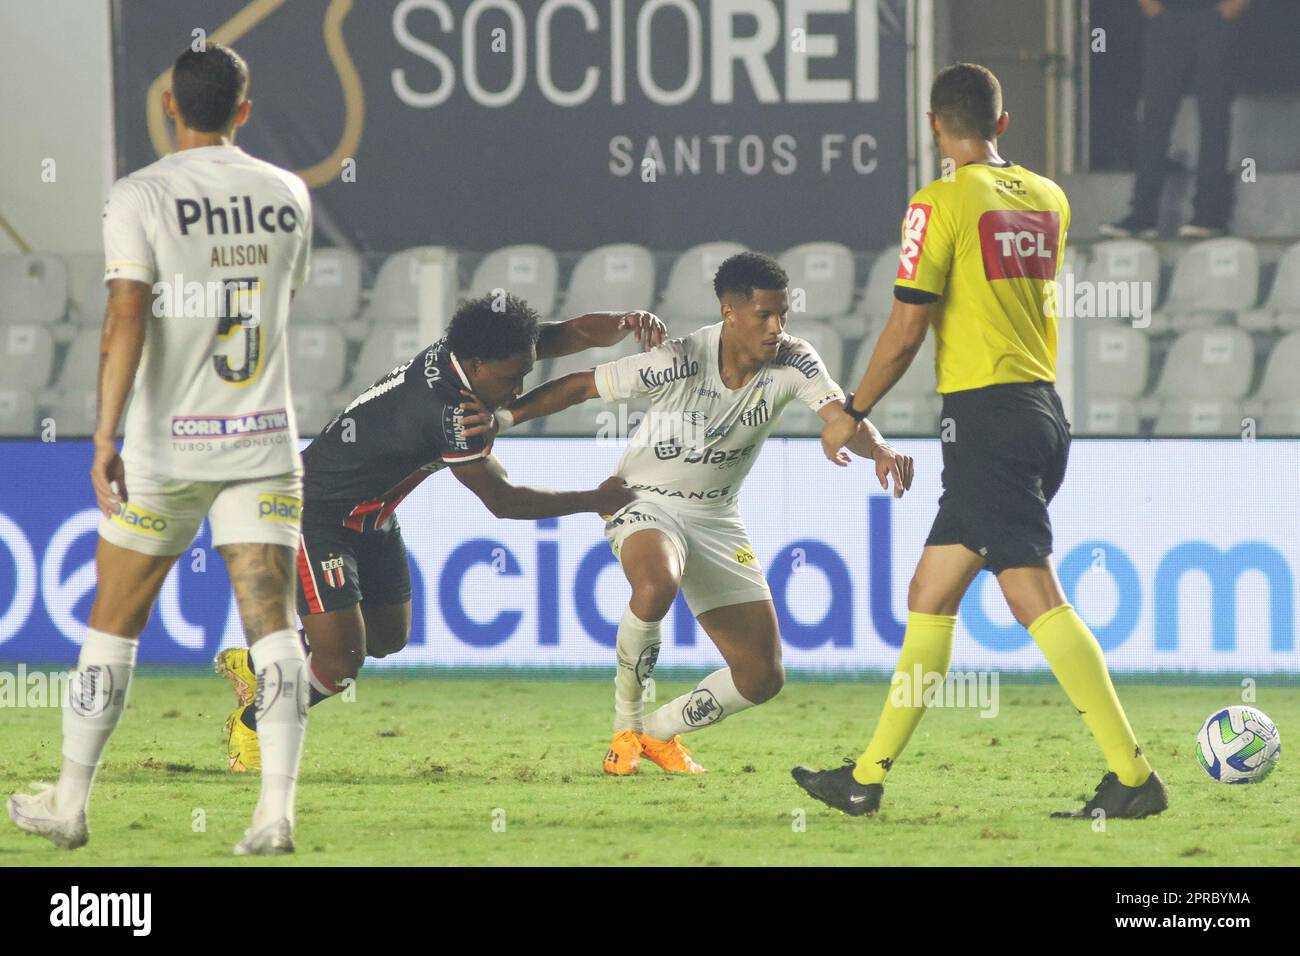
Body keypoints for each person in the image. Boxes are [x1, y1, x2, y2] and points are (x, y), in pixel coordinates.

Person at [794, 63, 1167, 820]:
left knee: (1033, 596)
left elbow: (908, 328)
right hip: (1037, 411)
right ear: (1002, 124)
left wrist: (851, 410)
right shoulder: (1050, 199)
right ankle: (865, 779)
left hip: (987, 420)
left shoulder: (937, 204)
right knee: (929, 594)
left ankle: (1134, 779)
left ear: (936, 125)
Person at [7, 44, 315, 855]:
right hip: (261, 440)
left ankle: (70, 805)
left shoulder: (140, 195)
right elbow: (281, 301)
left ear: (169, 107)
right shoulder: (289, 193)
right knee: (273, 627)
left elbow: (125, 316)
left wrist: (103, 433)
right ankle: (274, 814)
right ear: (244, 111)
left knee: (114, 622)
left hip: (165, 447)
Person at [496, 252, 912, 775]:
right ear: (730, 312)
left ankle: (658, 732)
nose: (776, 328)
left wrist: (881, 450)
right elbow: (582, 384)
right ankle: (624, 729)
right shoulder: (681, 357)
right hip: (643, 500)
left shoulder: (794, 359)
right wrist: (504, 417)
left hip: (716, 517)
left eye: (783, 314)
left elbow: (842, 413)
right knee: (655, 585)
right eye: (764, 315)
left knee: (761, 677)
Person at [213, 295, 653, 770]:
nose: (517, 388)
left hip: (373, 516)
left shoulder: (476, 349)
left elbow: (571, 334)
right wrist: (593, 500)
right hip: (316, 515)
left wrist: (627, 322)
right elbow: (503, 502)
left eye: (524, 373)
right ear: (477, 365)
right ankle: (254, 725)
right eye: (509, 379)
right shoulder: (450, 409)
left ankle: (257, 666)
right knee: (342, 662)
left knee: (387, 638)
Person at [1101, 0, 1250, 239]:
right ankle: (1142, 216)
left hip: (1215, 18)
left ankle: (1209, 216)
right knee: (1154, 121)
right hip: (1167, 18)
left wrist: (1233, 7)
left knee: (1214, 119)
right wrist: (1153, 9)